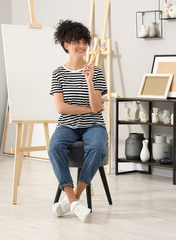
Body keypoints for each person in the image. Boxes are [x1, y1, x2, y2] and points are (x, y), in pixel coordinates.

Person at [48, 20, 108, 223]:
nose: (81, 45)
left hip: (94, 125)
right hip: (67, 125)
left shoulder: (97, 72)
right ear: (66, 45)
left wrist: (89, 81)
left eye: (84, 41)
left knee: (98, 146)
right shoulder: (58, 74)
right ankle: (73, 201)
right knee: (54, 147)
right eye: (76, 41)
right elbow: (61, 108)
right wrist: (89, 108)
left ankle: (73, 199)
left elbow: (95, 108)